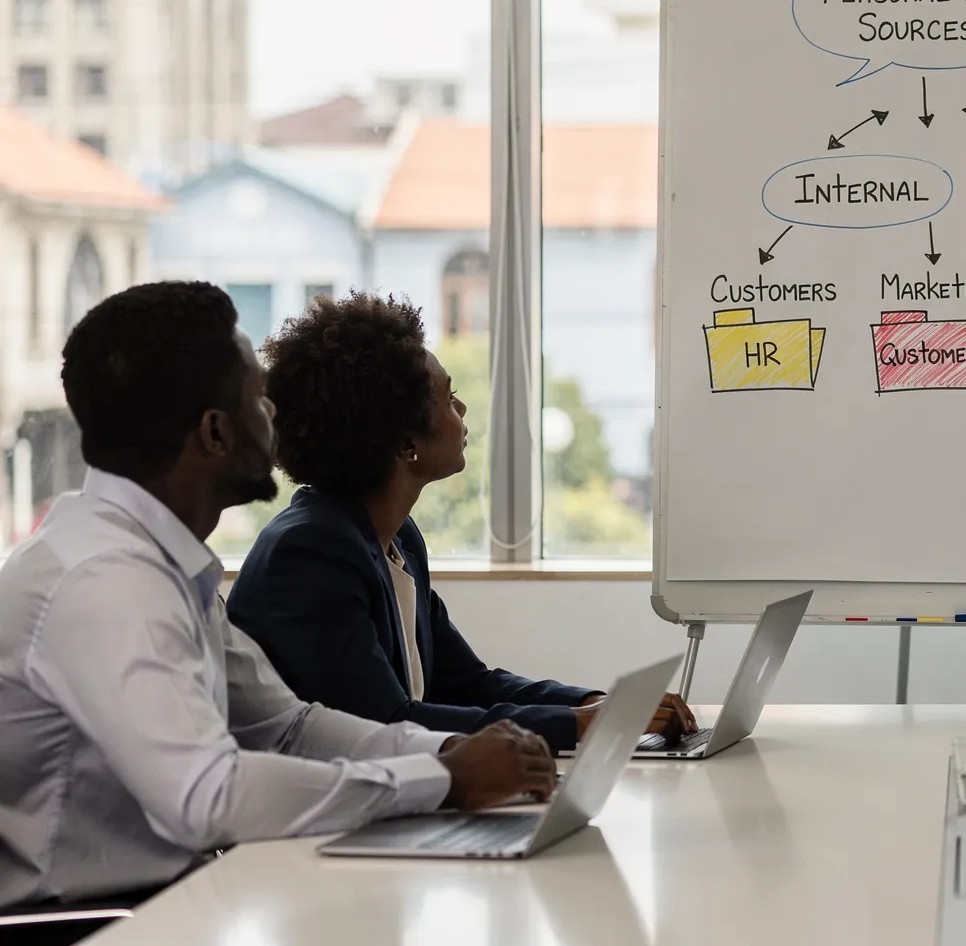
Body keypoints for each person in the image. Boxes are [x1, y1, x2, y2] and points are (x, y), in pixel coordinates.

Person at [0, 283, 556, 912]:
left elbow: (284, 728)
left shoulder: (157, 563)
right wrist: (443, 780)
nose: (276, 416)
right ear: (215, 433)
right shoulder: (104, 580)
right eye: (258, 399)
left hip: (169, 906)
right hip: (83, 925)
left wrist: (447, 752)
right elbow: (208, 797)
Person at [226, 293, 691, 756]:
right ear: (407, 442)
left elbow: (467, 684)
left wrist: (596, 704)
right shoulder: (310, 552)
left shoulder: (397, 538)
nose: (462, 410)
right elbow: (386, 722)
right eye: (449, 399)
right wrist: (580, 725)